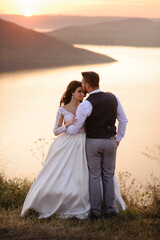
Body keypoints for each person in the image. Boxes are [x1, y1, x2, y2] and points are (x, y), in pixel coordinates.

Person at [21, 79, 126, 220]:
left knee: (92, 174)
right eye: (79, 91)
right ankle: (61, 202)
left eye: (83, 91)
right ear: (72, 92)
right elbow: (55, 131)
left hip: (86, 141)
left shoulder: (87, 106)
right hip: (68, 143)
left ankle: (99, 205)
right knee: (65, 174)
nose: (82, 94)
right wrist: (68, 124)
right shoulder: (63, 109)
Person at [66, 71, 128, 219]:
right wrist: (118, 139)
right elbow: (123, 120)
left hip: (93, 142)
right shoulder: (113, 97)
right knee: (108, 175)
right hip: (110, 141)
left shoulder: (86, 104)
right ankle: (110, 210)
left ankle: (96, 212)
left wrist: (65, 128)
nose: (82, 86)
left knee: (94, 176)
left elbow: (75, 129)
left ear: (87, 85)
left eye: (82, 84)